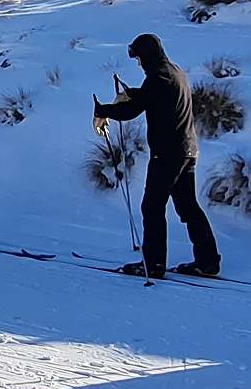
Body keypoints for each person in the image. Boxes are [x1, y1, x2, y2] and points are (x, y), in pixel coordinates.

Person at [92, 33, 220, 280]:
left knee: (152, 206)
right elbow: (153, 98)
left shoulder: (158, 77)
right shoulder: (175, 72)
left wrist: (103, 111)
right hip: (187, 150)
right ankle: (208, 261)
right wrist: (133, 94)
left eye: (139, 58)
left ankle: (153, 264)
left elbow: (133, 110)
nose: (138, 63)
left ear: (146, 55)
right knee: (188, 206)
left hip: (167, 153)